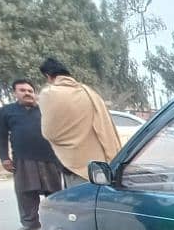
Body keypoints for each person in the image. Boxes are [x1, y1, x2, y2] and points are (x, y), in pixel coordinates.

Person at [0, 79, 64, 230]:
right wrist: (4, 157)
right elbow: (0, 135)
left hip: (50, 158)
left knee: (54, 192)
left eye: (30, 91)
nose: (27, 93)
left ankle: (57, 222)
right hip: (23, 159)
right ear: (15, 93)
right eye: (22, 90)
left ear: (35, 93)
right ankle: (30, 222)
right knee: (25, 192)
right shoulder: (7, 111)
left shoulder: (45, 110)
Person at [38, 57, 121, 187]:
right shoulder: (89, 92)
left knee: (81, 204)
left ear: (48, 76)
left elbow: (49, 133)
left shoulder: (49, 94)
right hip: (100, 163)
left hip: (74, 165)